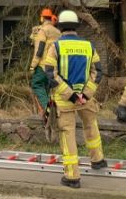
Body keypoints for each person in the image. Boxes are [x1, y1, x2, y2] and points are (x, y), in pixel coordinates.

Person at [45, 10, 106, 189]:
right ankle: (98, 160)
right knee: (91, 125)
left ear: (61, 27)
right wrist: (85, 94)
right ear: (76, 27)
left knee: (68, 134)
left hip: (65, 100)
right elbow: (98, 72)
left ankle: (72, 177)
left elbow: (50, 73)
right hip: (86, 99)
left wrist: (71, 95)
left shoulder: (55, 47)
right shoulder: (89, 46)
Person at [28, 8, 60, 113]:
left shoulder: (42, 31)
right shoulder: (57, 32)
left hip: (43, 65)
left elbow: (39, 49)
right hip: (55, 65)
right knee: (46, 88)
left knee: (36, 84)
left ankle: (48, 109)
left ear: (42, 18)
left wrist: (33, 66)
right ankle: (48, 114)